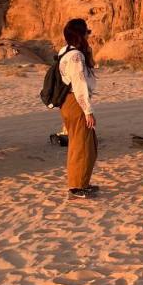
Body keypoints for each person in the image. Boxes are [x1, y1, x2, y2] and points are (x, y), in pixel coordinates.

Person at [58, 18, 98, 199]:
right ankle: (76, 186)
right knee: (80, 145)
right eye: (86, 33)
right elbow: (79, 84)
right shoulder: (75, 56)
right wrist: (88, 110)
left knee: (87, 144)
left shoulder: (65, 51)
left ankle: (83, 182)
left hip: (71, 102)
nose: (88, 36)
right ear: (80, 35)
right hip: (76, 102)